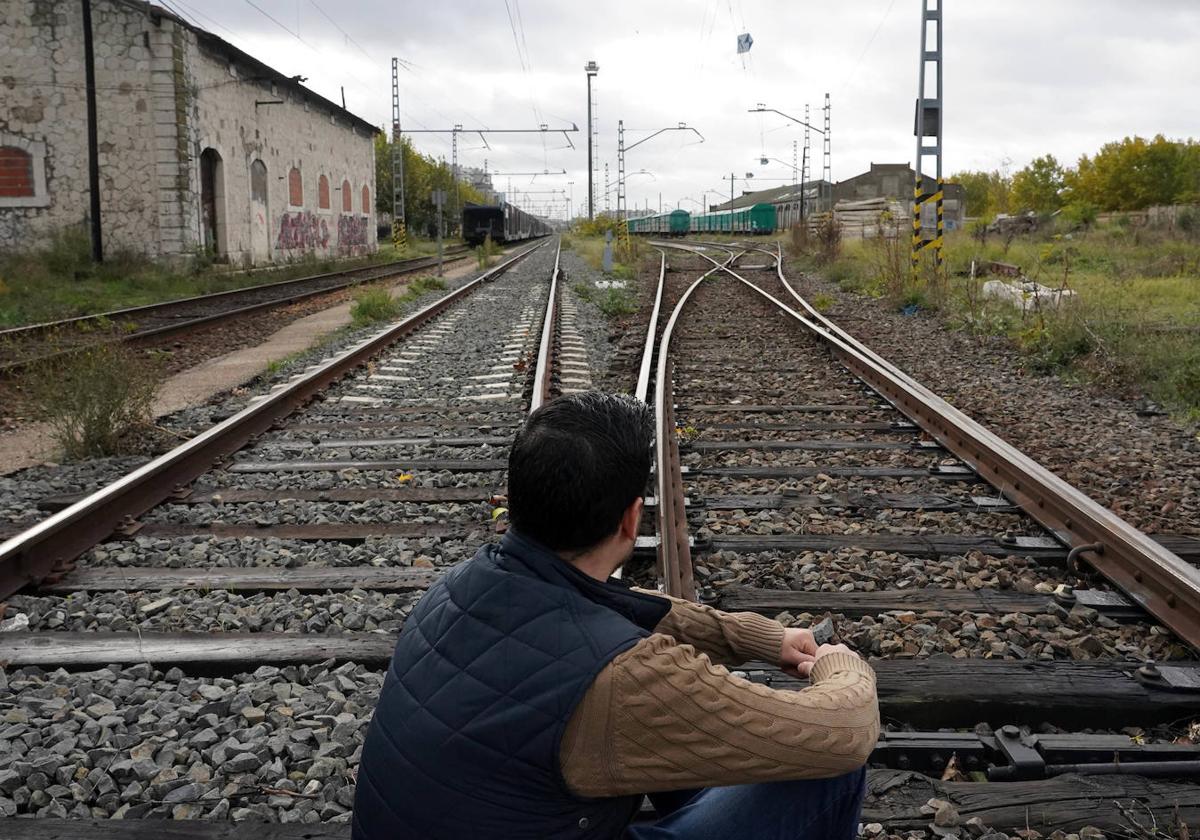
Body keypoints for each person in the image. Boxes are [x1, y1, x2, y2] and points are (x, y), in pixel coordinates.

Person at [354, 392, 878, 839]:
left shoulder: (457, 586)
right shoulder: (621, 681)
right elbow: (845, 732)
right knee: (825, 769)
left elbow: (618, 606)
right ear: (632, 519)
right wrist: (841, 665)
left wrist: (761, 638)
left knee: (679, 745)